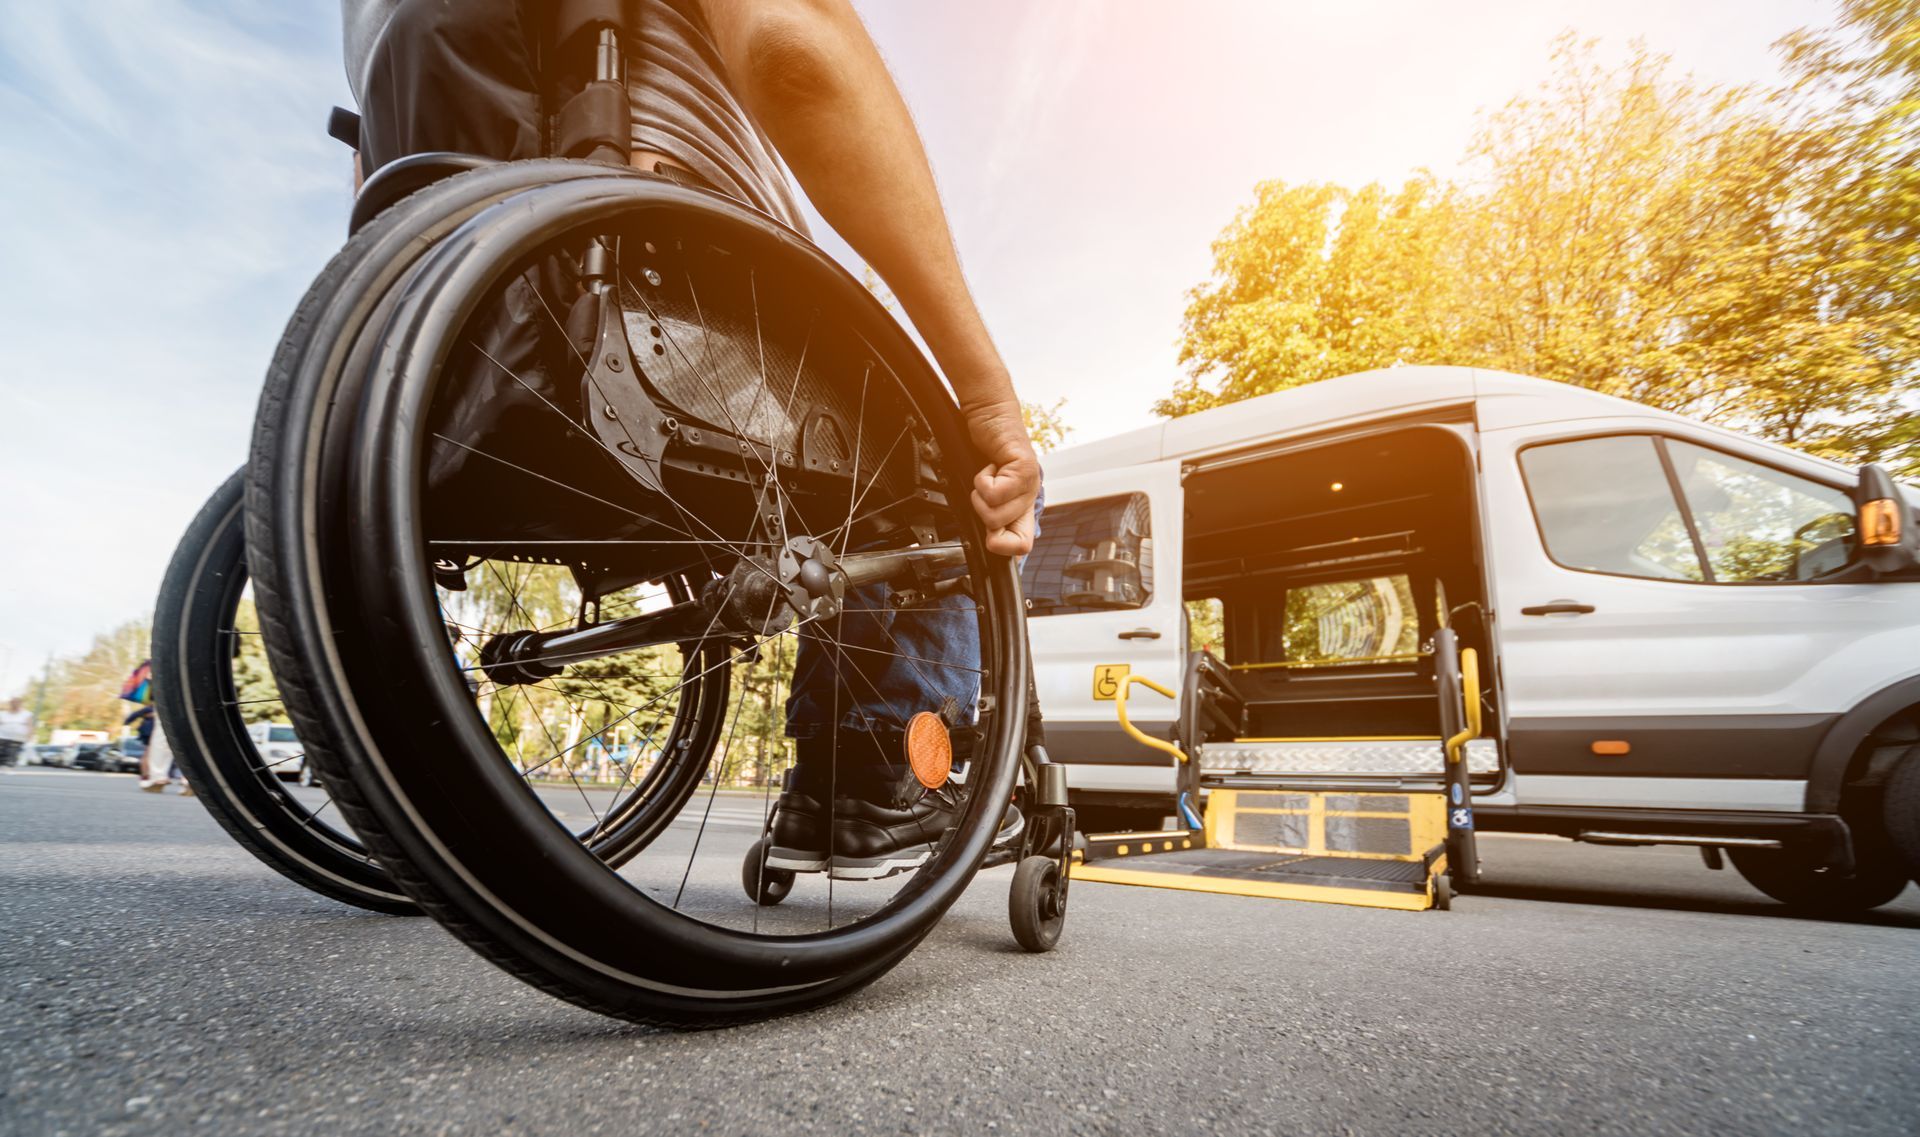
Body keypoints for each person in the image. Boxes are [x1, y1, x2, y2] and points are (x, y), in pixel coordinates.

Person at [342, 0, 1040, 878]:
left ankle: (842, 778)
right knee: (948, 464)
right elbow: (793, 52)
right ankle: (870, 786)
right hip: (658, 285)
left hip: (467, 332)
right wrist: (984, 393)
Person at [0, 697, 33, 769]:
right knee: (2, 752)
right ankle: (3, 764)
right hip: (3, 736)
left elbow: (30, 726)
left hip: (17, 738)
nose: (15, 704)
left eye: (17, 702)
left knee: (11, 753)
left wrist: (29, 737)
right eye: (13, 702)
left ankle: (9, 765)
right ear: (10, 704)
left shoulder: (26, 714)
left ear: (20, 704)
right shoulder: (3, 713)